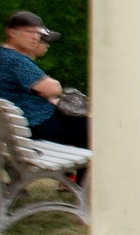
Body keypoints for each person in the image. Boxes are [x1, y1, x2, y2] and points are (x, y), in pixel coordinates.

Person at [0, 11, 86, 147]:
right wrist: (48, 88)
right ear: (12, 32)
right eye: (30, 32)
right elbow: (54, 89)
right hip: (36, 124)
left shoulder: (4, 55)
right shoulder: (14, 60)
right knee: (95, 129)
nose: (36, 38)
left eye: (38, 33)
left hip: (18, 129)